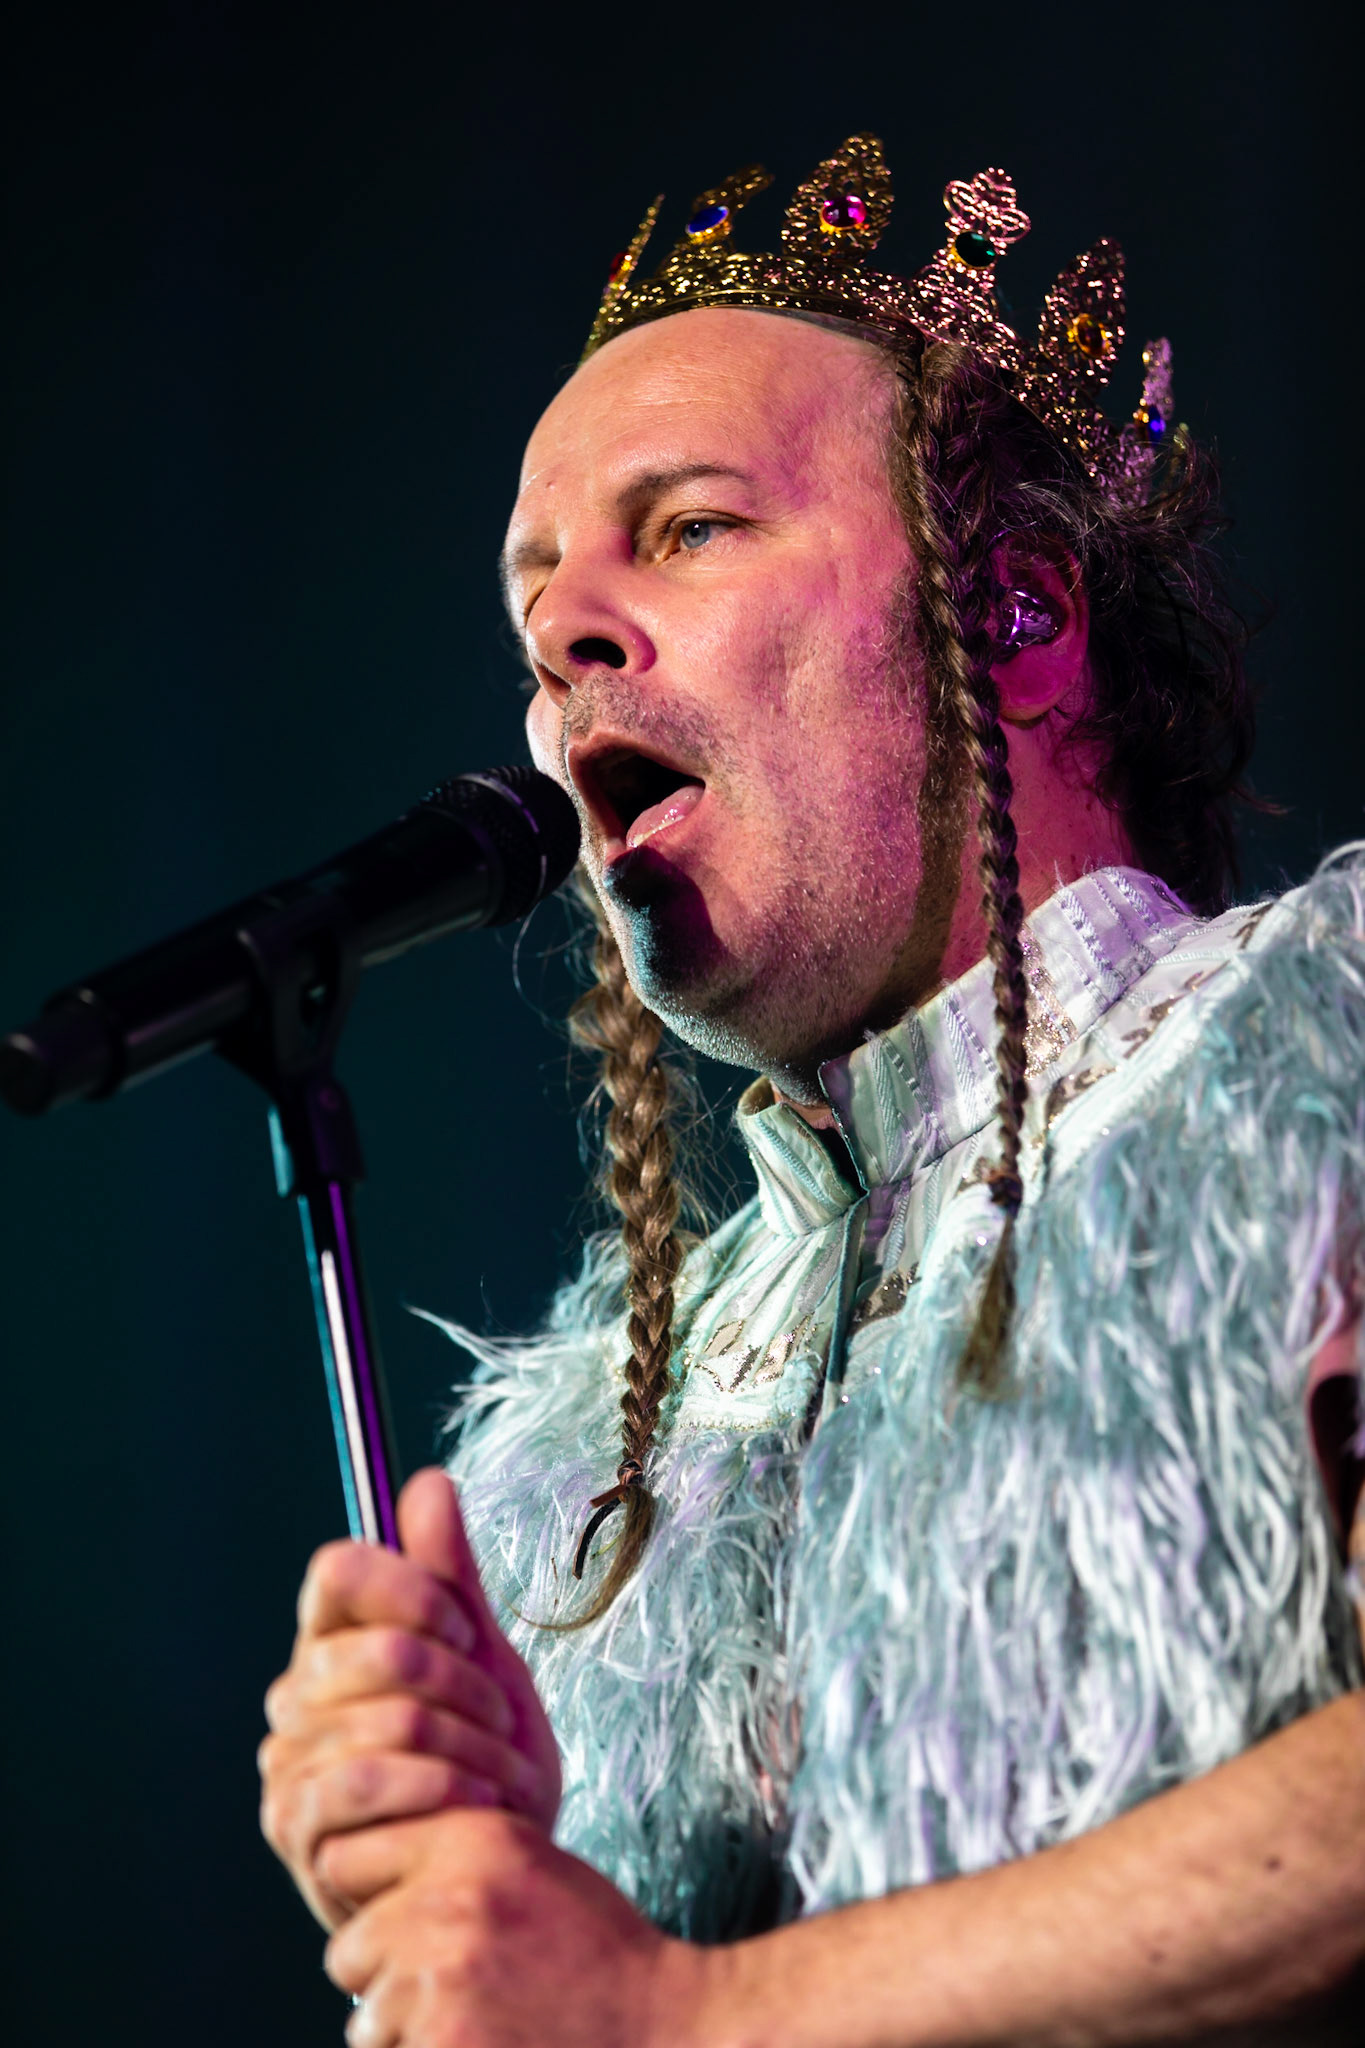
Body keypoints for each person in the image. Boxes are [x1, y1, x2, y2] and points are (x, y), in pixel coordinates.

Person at [258, 138, 1365, 2045]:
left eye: (685, 528)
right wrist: (494, 1900)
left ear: (1014, 617)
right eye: (535, 589)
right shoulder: (577, 1473)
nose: (560, 639)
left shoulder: (1319, 1053)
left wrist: (684, 2012)